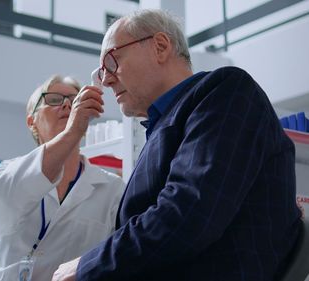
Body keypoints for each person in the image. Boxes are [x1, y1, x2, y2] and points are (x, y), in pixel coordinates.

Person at [53, 9, 302, 281]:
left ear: (160, 47)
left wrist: (87, 266)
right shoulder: (165, 126)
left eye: (111, 61)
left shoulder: (224, 91)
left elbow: (189, 212)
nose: (107, 79)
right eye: (101, 73)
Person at [0, 75, 125, 281]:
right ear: (32, 121)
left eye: (74, 100)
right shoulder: (6, 174)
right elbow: (11, 197)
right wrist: (72, 130)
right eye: (54, 100)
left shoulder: (112, 189)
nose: (67, 105)